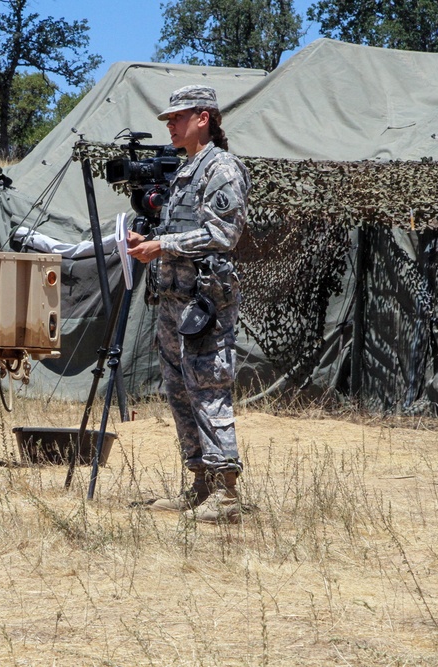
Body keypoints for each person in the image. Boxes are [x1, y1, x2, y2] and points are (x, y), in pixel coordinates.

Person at [127, 86, 251, 524]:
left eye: (177, 117)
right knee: (179, 393)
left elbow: (223, 235)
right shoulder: (185, 172)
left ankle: (226, 492)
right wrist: (150, 241)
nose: (170, 125)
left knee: (208, 389)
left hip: (204, 303)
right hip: (172, 299)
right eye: (168, 119)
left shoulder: (221, 169)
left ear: (204, 117)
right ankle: (200, 484)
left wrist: (163, 245)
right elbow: (179, 230)